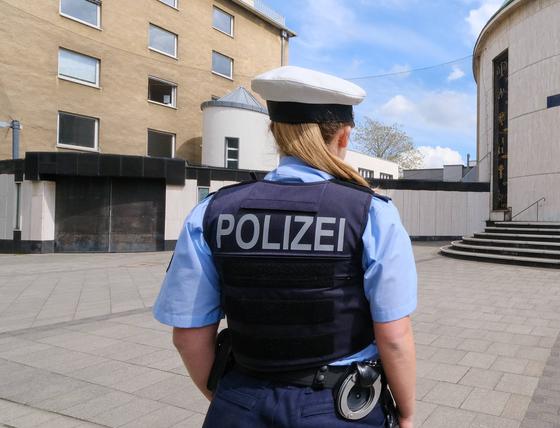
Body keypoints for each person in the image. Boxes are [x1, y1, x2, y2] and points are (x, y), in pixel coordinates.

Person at [152, 66, 417, 428]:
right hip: (338, 407)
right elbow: (395, 338)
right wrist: (406, 412)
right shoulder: (371, 212)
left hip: (241, 398)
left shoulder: (212, 211)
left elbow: (187, 336)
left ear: (274, 132)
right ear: (344, 135)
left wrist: (229, 399)